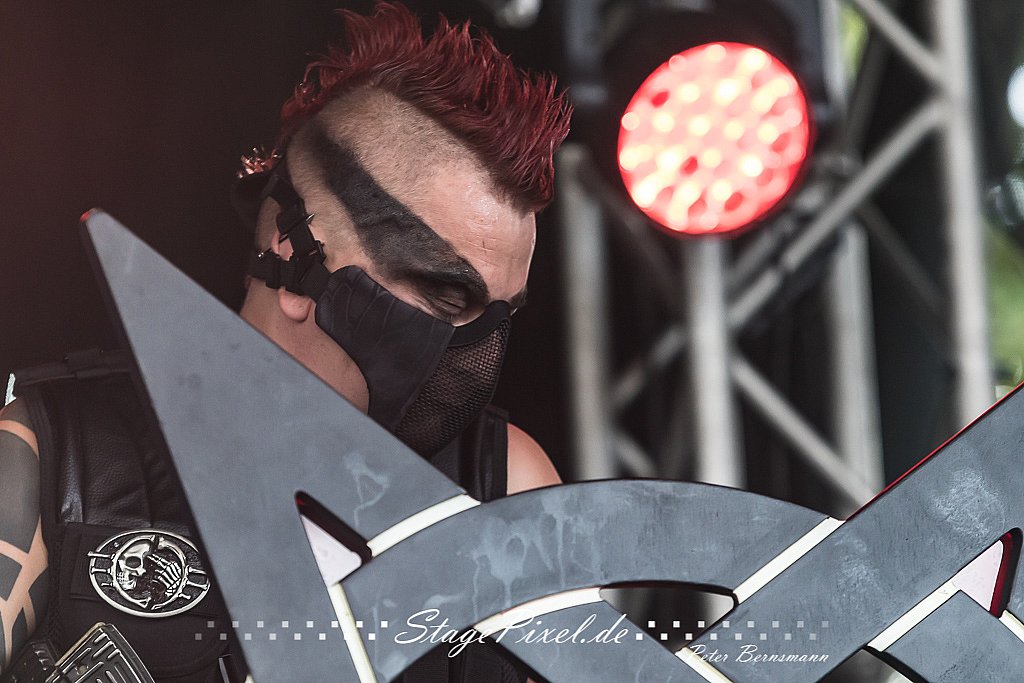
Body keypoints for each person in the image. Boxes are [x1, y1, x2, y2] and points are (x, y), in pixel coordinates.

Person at [0, 3, 571, 681]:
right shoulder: (61, 459)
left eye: (500, 316)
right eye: (446, 298)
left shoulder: (504, 485)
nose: (480, 352)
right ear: (298, 259)